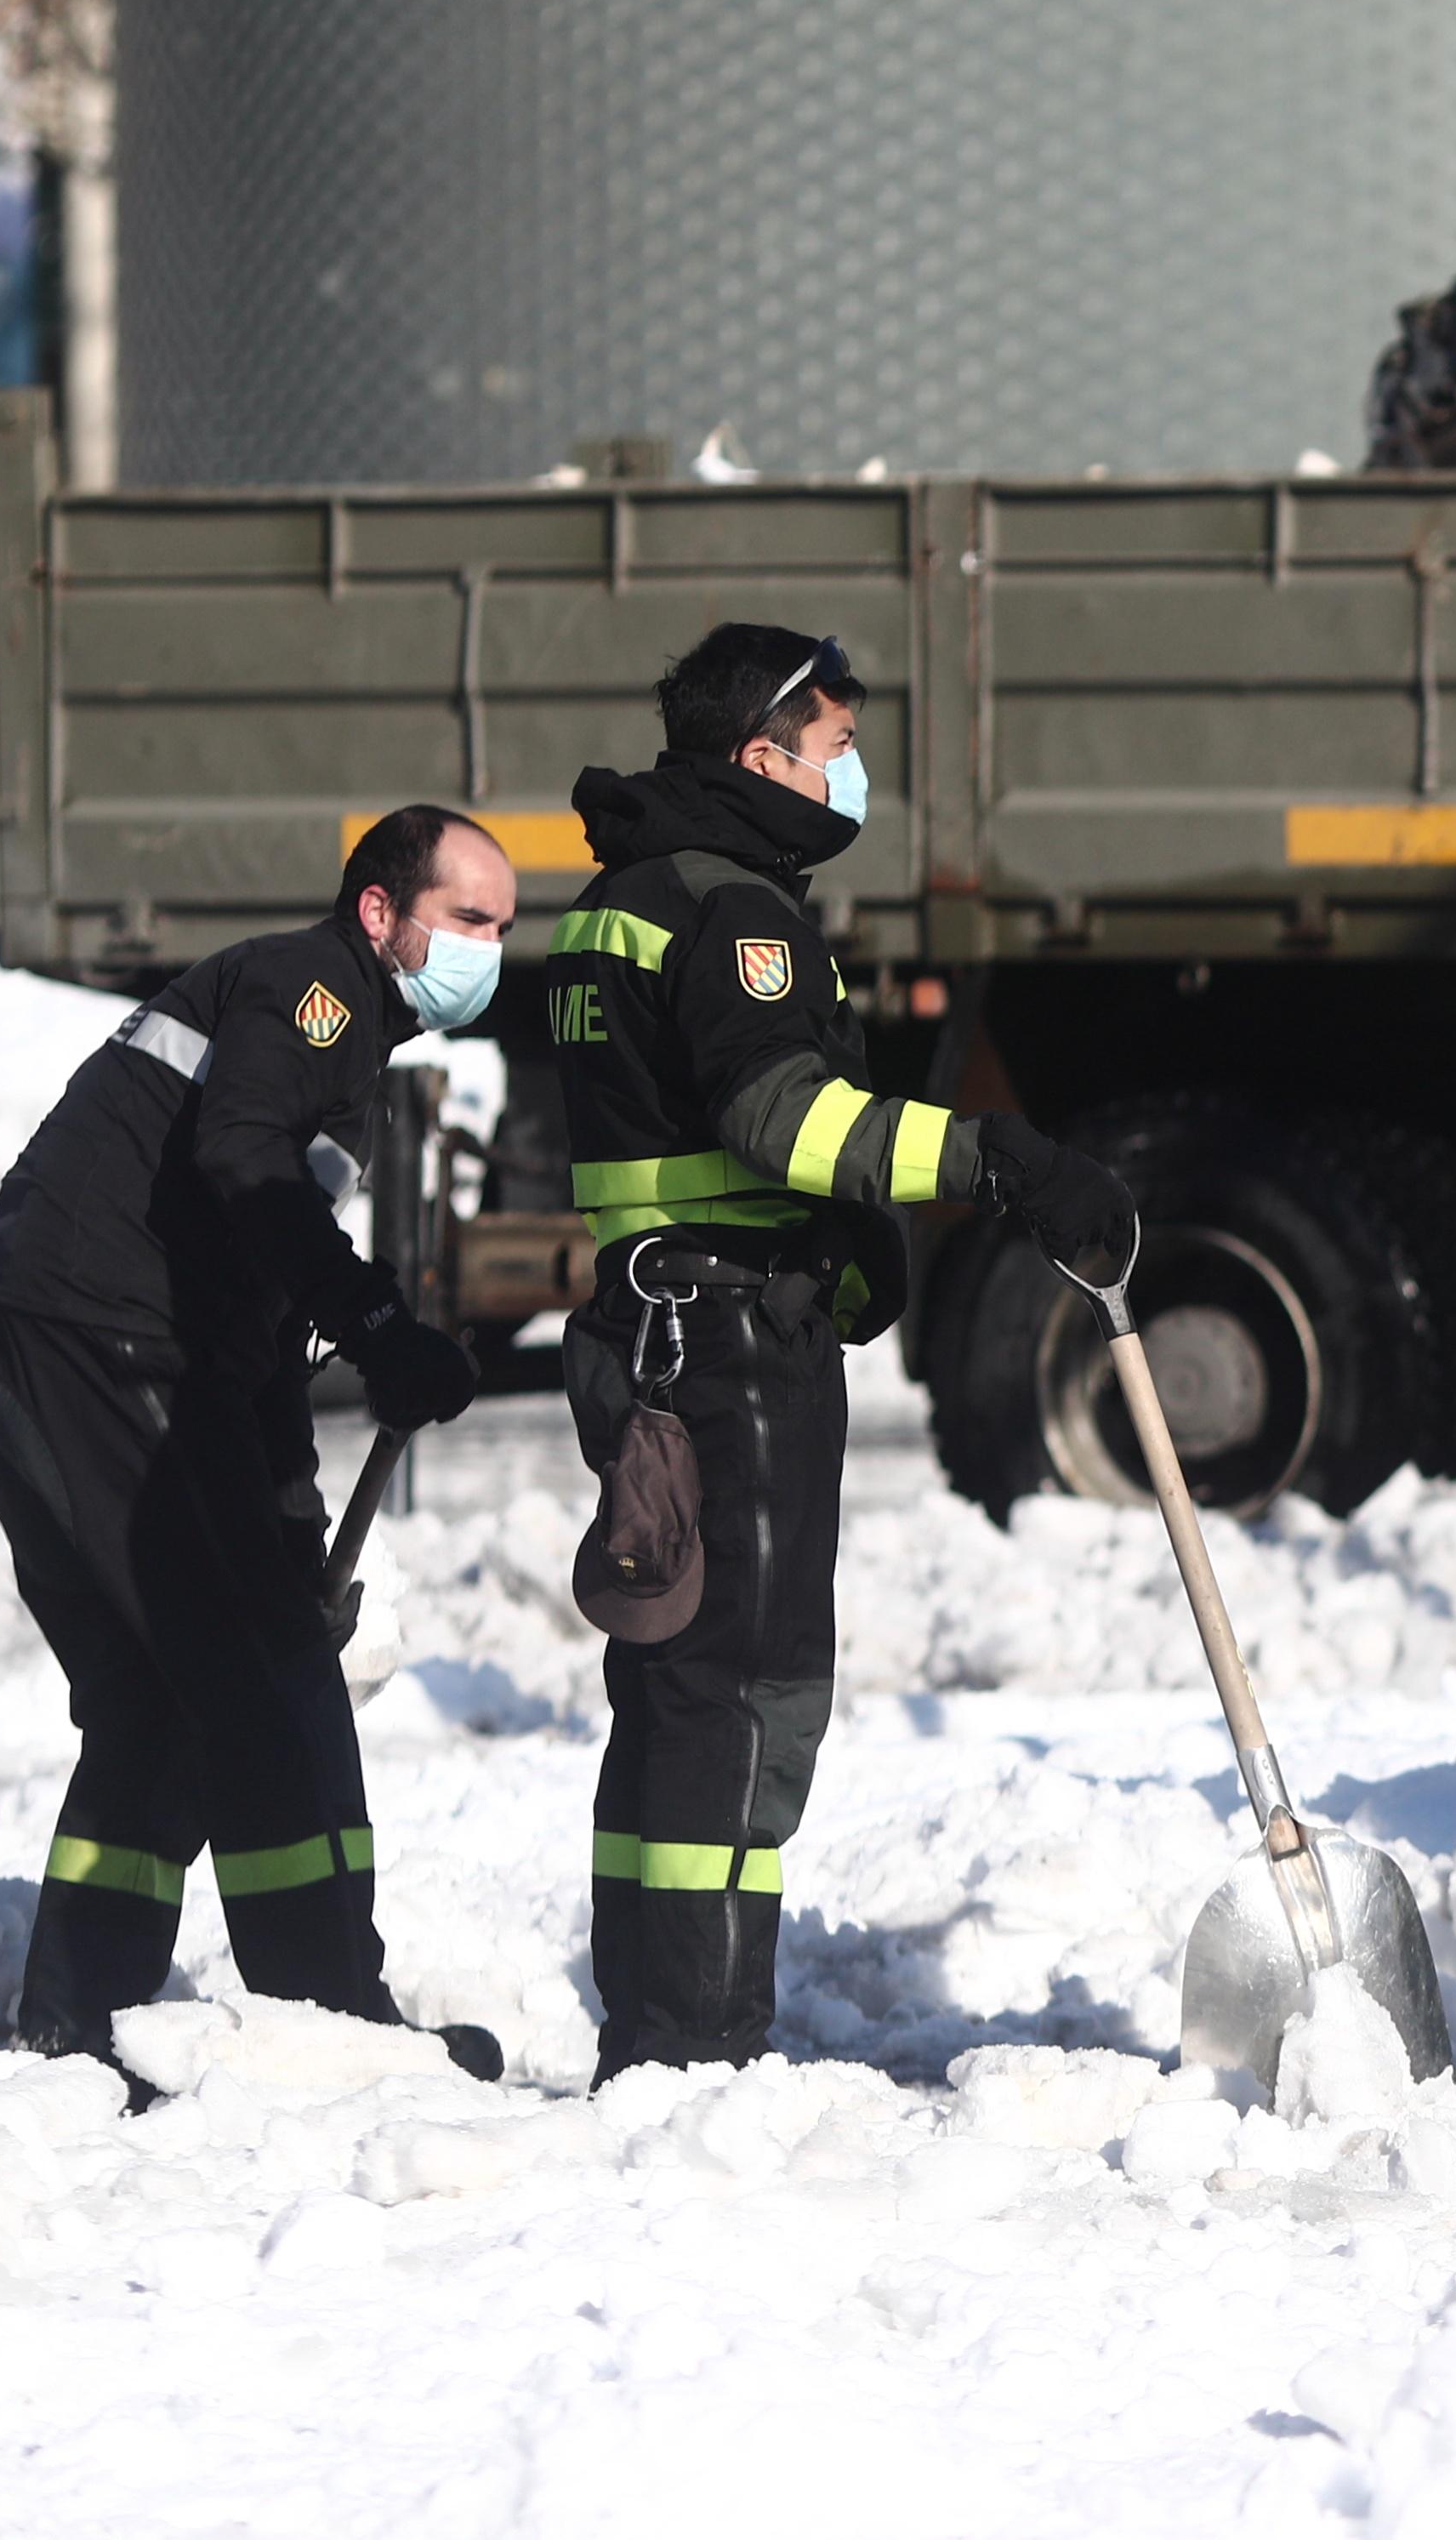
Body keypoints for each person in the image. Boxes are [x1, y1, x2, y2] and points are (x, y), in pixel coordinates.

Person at [545, 624, 1132, 2082]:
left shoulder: (626, 894)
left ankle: (668, 2027)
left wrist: (835, 1243)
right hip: (724, 1348)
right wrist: (993, 1160)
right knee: (741, 1695)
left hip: (667, 1329)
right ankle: (695, 2047)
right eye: (832, 747)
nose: (851, 771)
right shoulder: (728, 909)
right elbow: (778, 1119)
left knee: (678, 1690)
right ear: (760, 756)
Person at [0, 804, 515, 2087]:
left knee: (165, 1696)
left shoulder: (350, 1044)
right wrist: (376, 1321)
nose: (490, 946)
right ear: (382, 913)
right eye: (469, 918)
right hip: (97, 1346)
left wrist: (282, 1501)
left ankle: (78, 2024)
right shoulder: (313, 988)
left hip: (95, 1351)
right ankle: (324, 2016)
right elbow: (241, 1162)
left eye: (502, 924)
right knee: (259, 1681)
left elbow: (249, 1299)